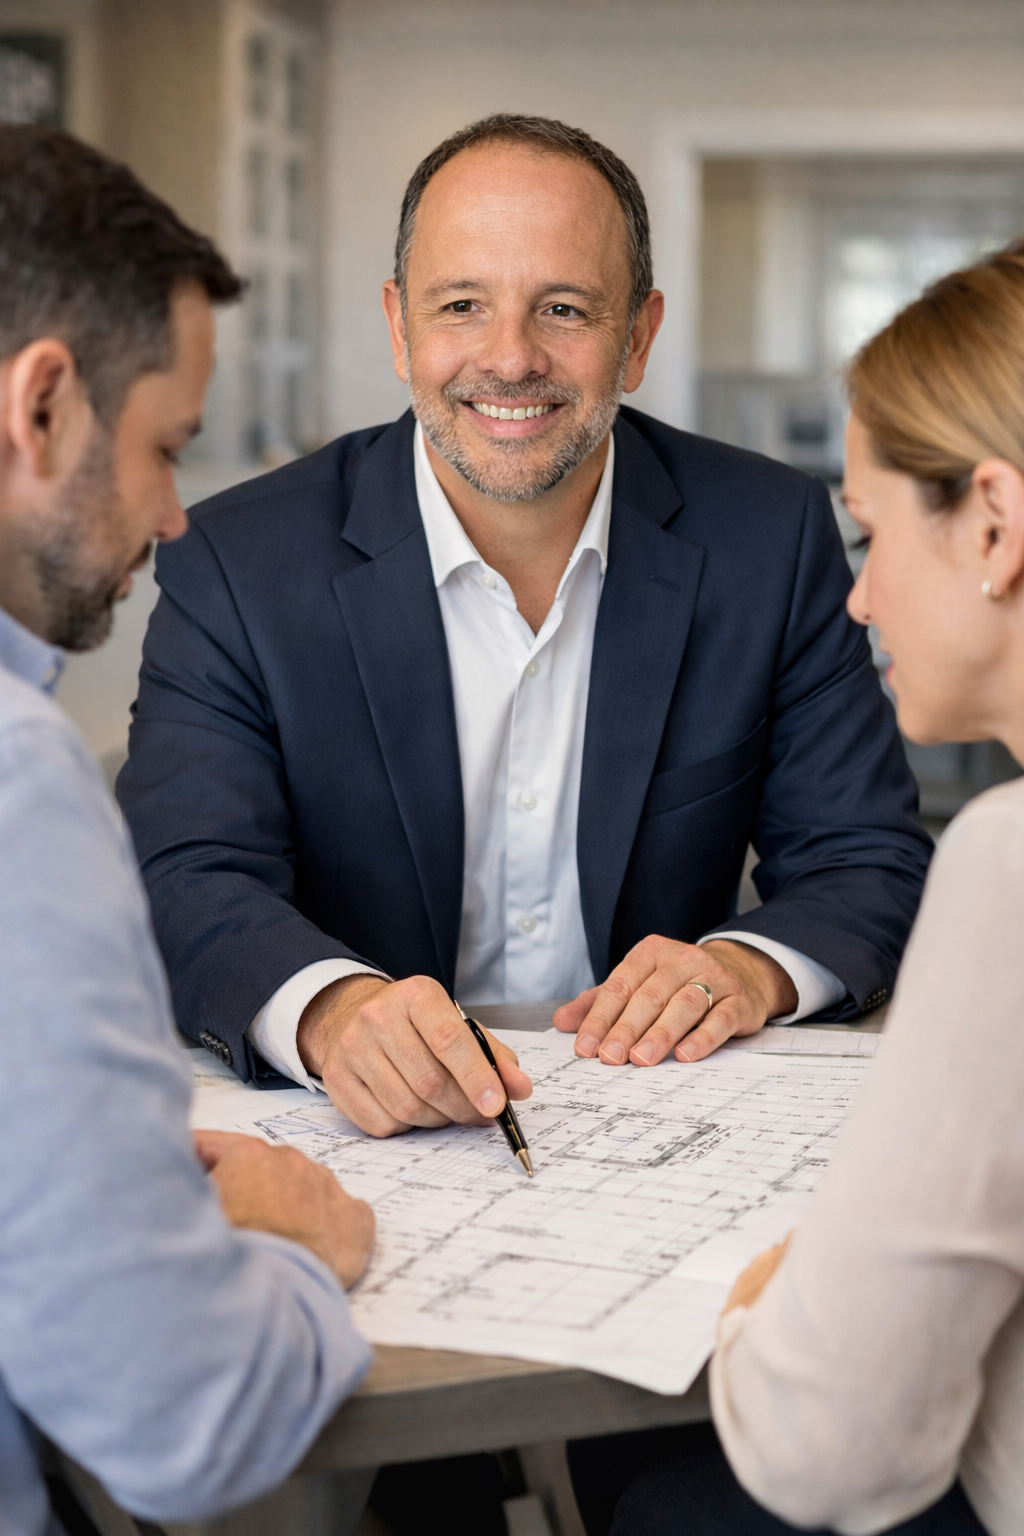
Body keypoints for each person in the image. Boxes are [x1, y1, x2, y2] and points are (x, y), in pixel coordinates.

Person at [117, 113, 931, 1142]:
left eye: (563, 308)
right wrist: (331, 1011)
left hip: (663, 1127)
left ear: (636, 337)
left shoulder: (766, 537)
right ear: (400, 326)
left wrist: (741, 971)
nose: (509, 359)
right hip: (349, 1135)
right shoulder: (236, 561)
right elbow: (182, 877)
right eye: (461, 305)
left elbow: (865, 861)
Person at [598, 241, 1024, 1536]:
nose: (857, 597)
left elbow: (825, 1452)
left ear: (998, 525)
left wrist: (772, 1296)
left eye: (873, 531)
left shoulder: (1007, 863)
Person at [0, 126, 376, 1536]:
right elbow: (191, 1420)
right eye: (163, 448)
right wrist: (301, 1245)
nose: (171, 515)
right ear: (42, 406)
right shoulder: (18, 784)